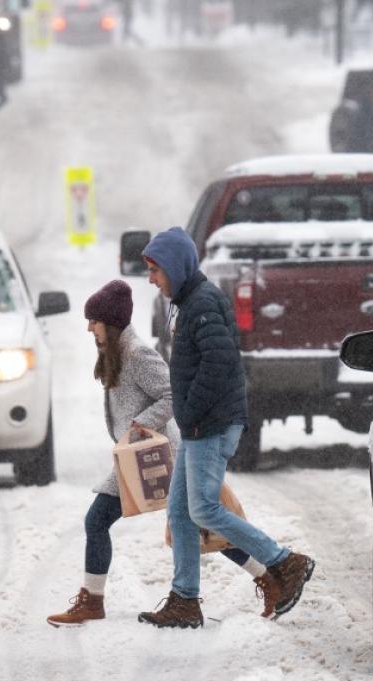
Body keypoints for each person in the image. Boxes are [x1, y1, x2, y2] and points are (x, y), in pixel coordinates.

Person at [47, 280, 276, 627]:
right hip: (135, 455)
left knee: (188, 521)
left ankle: (268, 574)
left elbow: (172, 394)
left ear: (110, 322)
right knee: (195, 522)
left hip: (157, 455)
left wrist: (140, 424)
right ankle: (266, 576)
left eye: (94, 321)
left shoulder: (137, 354)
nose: (88, 328)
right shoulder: (116, 354)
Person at [136, 228, 315, 629]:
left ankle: (285, 561)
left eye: (154, 270)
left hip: (210, 424)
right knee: (181, 512)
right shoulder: (191, 302)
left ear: (175, 267)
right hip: (202, 423)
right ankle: (184, 599)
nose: (151, 278)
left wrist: (193, 413)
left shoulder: (201, 305)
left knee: (203, 508)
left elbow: (219, 365)